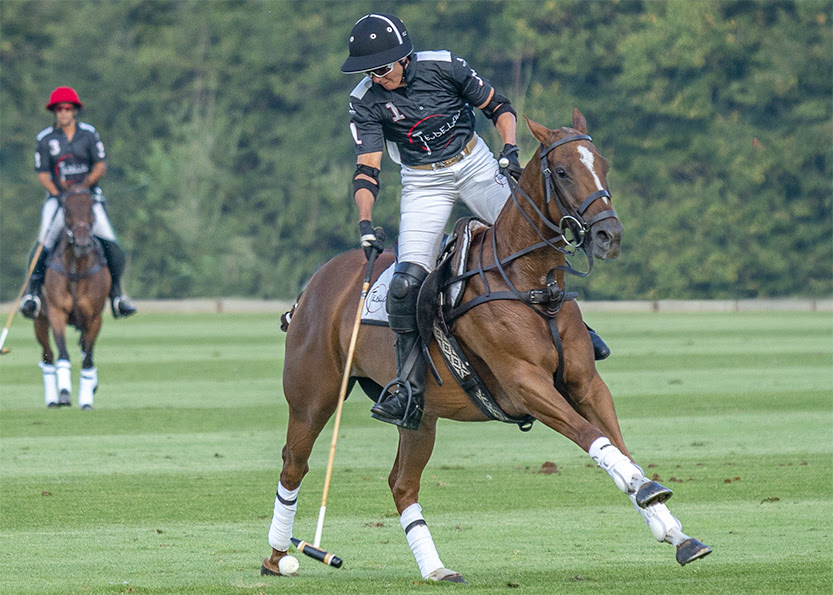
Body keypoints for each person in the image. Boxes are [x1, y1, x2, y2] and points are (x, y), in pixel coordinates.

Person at [341, 14, 608, 430]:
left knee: (540, 241)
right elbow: (367, 170)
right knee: (406, 282)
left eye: (380, 69)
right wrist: (365, 221)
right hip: (422, 183)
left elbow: (499, 108)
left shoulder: (445, 66)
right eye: (368, 72)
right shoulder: (366, 100)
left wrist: (509, 149)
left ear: (404, 58)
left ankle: (580, 333)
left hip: (475, 165)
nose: (376, 78)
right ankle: (409, 387)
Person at [19, 86, 136, 320]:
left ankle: (117, 295)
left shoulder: (89, 134)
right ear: (54, 112)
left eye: (67, 108)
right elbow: (43, 174)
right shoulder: (45, 139)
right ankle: (32, 295)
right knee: (44, 242)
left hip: (88, 200)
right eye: (58, 109)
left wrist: (83, 188)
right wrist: (59, 194)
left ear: (74, 111)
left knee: (110, 243)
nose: (63, 112)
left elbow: (100, 166)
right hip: (59, 200)